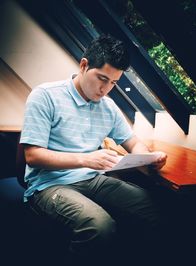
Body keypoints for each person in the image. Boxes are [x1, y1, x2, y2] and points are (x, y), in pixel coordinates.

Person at [20, 34, 167, 265]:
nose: (105, 89)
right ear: (84, 65)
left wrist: (150, 157)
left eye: (114, 83)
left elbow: (132, 142)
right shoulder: (45, 95)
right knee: (100, 226)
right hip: (48, 185)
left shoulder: (108, 107)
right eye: (102, 78)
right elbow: (32, 156)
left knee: (155, 209)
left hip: (92, 180)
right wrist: (86, 159)